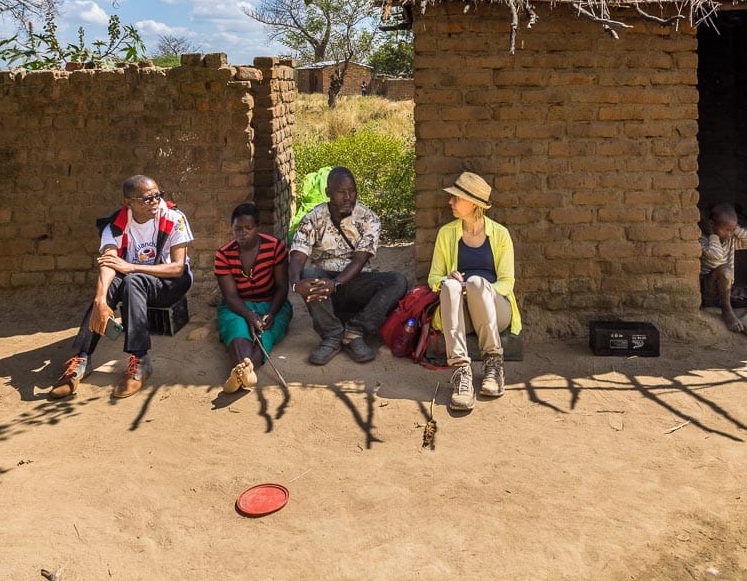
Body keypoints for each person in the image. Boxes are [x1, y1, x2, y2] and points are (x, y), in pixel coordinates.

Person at [50, 175, 194, 400]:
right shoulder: (114, 226)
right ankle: (83, 359)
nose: (155, 202)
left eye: (158, 196)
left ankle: (140, 360)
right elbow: (109, 263)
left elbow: (177, 268)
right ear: (129, 203)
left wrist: (131, 266)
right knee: (115, 283)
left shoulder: (174, 218)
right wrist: (100, 300)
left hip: (170, 284)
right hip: (133, 283)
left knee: (131, 278)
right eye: (147, 199)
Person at [288, 166, 407, 365]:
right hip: (324, 289)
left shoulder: (368, 218)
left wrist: (335, 284)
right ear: (328, 193)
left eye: (352, 191)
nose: (348, 197)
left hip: (355, 283)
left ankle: (355, 330)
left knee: (398, 281)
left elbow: (359, 260)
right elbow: (297, 258)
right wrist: (295, 284)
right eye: (341, 192)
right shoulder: (312, 218)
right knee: (309, 273)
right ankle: (332, 335)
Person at [427, 171, 521, 411]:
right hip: (460, 314)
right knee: (449, 285)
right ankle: (461, 372)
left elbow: (507, 283)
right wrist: (450, 280)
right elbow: (433, 278)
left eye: (456, 198)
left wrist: (476, 288)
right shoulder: (446, 233)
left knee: (478, 283)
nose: (450, 202)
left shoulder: (500, 234)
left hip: (494, 310)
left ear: (474, 204)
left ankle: (493, 365)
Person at [213, 203, 293, 393]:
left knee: (268, 330)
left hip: (273, 303)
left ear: (257, 227)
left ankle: (242, 371)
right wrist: (248, 315)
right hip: (238, 304)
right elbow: (230, 296)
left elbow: (282, 287)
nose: (243, 233)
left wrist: (271, 313)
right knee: (237, 327)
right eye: (238, 229)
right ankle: (246, 370)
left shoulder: (274, 247)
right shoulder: (223, 255)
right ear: (231, 228)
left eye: (248, 228)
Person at [699, 202, 747, 338]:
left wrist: (735, 228)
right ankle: (727, 311)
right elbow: (717, 256)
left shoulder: (730, 239)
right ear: (711, 224)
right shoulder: (703, 241)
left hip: (728, 290)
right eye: (726, 229)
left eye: (731, 230)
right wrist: (713, 235)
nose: (729, 234)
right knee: (725, 270)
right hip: (710, 293)